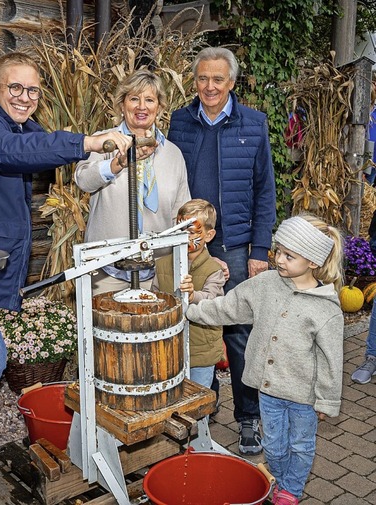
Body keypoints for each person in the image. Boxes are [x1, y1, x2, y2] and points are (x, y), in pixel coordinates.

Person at [0, 52, 132, 487]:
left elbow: (45, 150)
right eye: (15, 88)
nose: (24, 97)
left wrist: (108, 160)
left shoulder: (20, 126)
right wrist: (87, 141)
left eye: (33, 90)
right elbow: (5, 152)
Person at [186, 214, 344, 505]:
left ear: (312, 261)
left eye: (289, 255)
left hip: (303, 396)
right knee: (273, 446)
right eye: (278, 251)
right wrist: (192, 307)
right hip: (269, 391)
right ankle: (282, 483)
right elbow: (227, 307)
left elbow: (331, 360)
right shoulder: (266, 284)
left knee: (300, 445)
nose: (279, 260)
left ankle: (290, 491)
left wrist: (327, 400)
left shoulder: (326, 308)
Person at [167, 46, 276, 455]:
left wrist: (259, 248)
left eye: (218, 79)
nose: (209, 87)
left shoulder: (254, 123)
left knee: (238, 335)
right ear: (194, 81)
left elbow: (265, 191)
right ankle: (202, 409)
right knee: (192, 326)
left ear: (232, 82)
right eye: (202, 79)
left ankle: (248, 419)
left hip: (233, 246)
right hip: (187, 245)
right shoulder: (180, 121)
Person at [74, 69, 191, 294]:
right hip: (105, 269)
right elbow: (83, 180)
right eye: (134, 99)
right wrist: (117, 164)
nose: (141, 107)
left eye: (149, 100)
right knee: (104, 328)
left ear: (160, 107)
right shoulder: (104, 142)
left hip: (157, 274)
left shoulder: (173, 154)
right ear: (122, 104)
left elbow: (181, 213)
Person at [153, 199, 226, 388]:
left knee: (197, 402)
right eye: (180, 230)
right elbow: (154, 298)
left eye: (191, 232)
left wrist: (193, 296)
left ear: (209, 235)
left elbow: (214, 302)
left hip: (201, 352)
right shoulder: (162, 264)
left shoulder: (214, 269)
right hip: (169, 349)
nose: (184, 237)